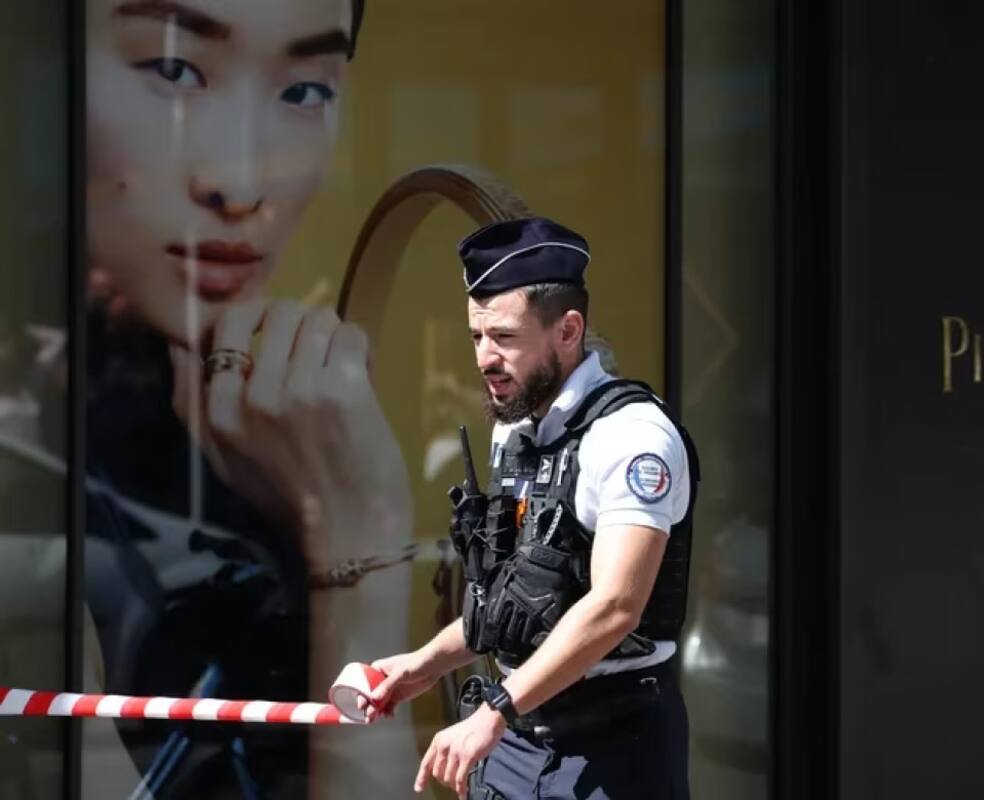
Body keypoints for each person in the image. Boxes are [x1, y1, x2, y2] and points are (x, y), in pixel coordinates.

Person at [82, 1, 417, 796]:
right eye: (171, 70)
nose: (239, 184)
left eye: (305, 91)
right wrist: (360, 560)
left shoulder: (254, 430)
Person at [362, 216, 700, 799]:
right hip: (517, 739)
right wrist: (423, 665)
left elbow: (616, 605)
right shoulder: (516, 432)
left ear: (568, 330)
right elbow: (517, 602)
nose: (484, 358)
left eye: (505, 337)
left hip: (613, 750)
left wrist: (494, 710)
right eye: (476, 337)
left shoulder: (632, 437)